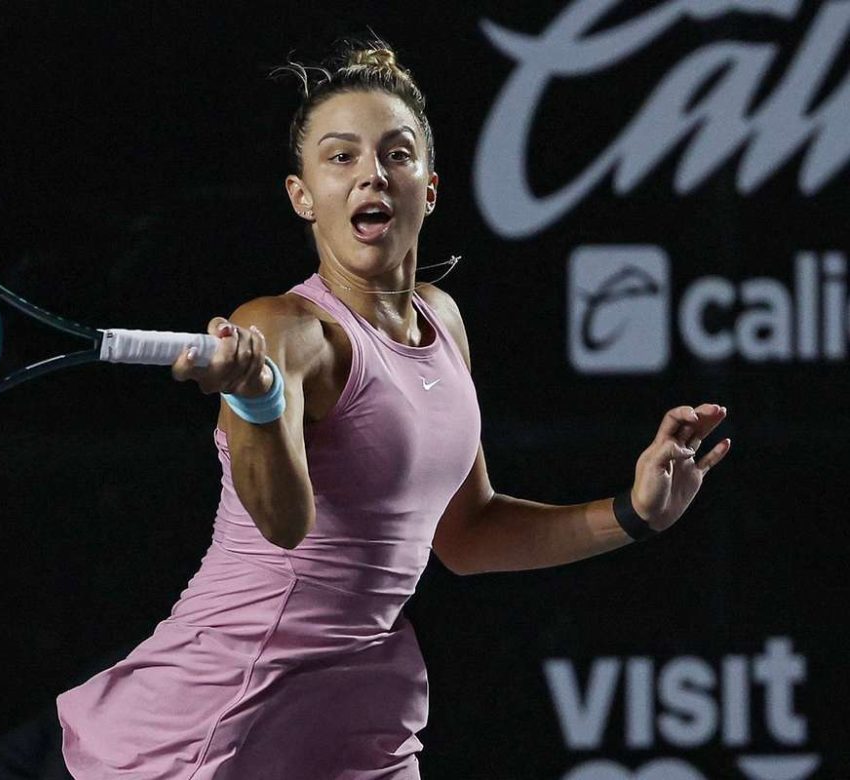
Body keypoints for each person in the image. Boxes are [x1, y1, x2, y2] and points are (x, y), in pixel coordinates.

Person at [55, 39, 731, 780]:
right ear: (302, 196)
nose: (371, 173)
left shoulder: (443, 320)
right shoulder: (284, 328)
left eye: (396, 154)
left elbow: (468, 534)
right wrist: (257, 398)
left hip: (356, 714)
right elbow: (283, 523)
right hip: (225, 708)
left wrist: (635, 513)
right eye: (340, 157)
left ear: (428, 189)